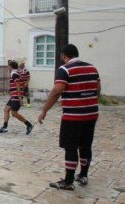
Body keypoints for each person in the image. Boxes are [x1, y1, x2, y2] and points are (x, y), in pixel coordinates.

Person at [38, 44, 100, 190]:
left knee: (70, 147)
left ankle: (68, 181)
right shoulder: (92, 68)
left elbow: (57, 91)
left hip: (73, 116)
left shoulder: (64, 69)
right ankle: (83, 175)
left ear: (63, 55)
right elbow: (98, 90)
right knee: (86, 145)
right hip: (91, 114)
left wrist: (44, 110)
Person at [0, 61, 34, 134]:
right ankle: (4, 127)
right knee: (6, 109)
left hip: (16, 96)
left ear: (11, 66)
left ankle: (29, 125)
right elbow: (21, 83)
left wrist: (19, 97)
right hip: (13, 96)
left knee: (14, 113)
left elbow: (18, 85)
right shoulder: (17, 72)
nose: (7, 67)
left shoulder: (14, 73)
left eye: (8, 66)